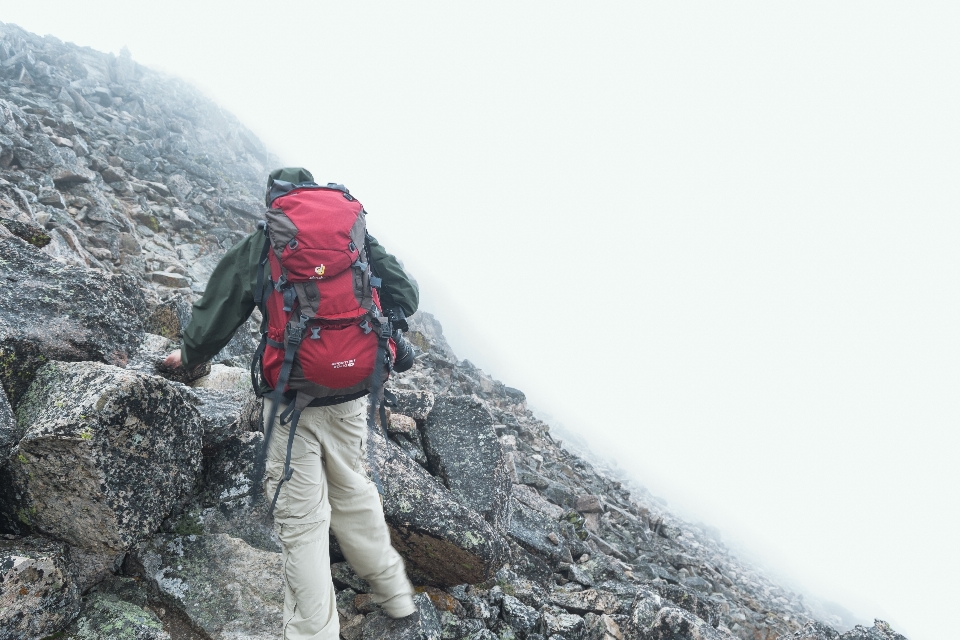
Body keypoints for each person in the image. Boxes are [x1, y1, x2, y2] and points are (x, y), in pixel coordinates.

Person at [163, 167, 419, 640]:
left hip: (290, 399)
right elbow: (406, 292)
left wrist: (191, 356)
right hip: (353, 389)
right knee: (353, 489)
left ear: (274, 204)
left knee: (302, 522)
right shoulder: (353, 234)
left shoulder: (266, 243)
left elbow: (221, 310)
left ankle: (312, 634)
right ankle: (395, 595)